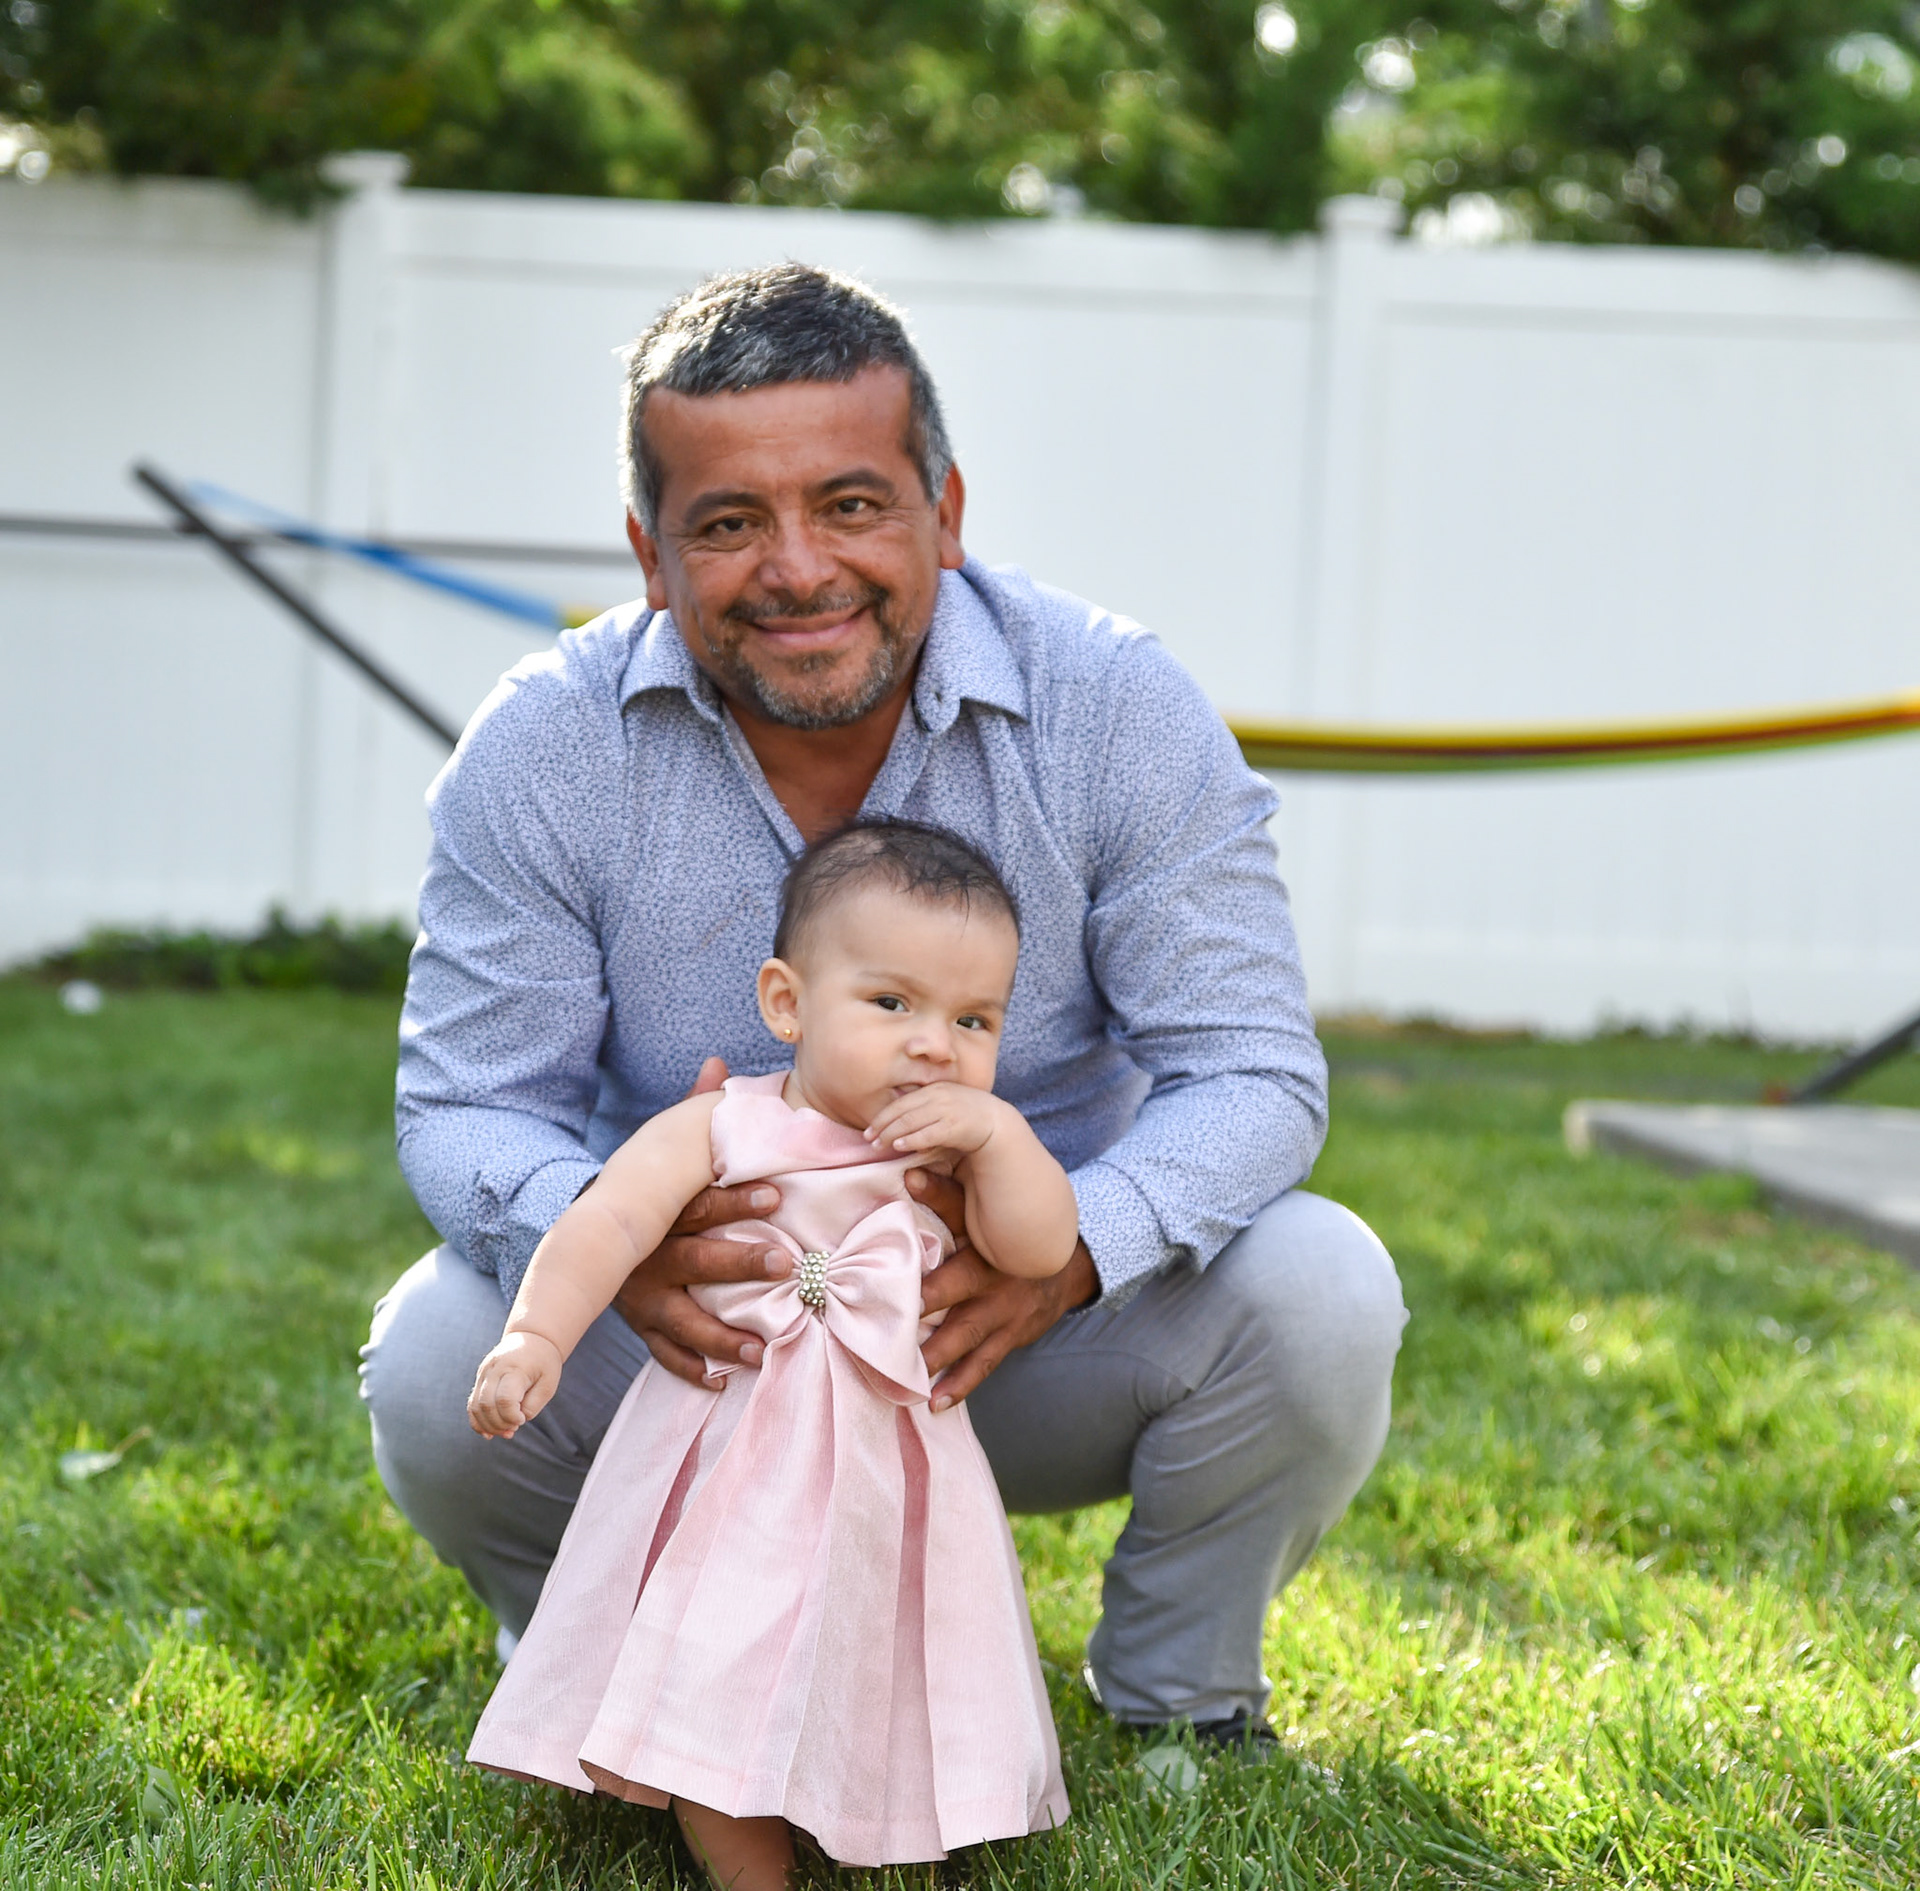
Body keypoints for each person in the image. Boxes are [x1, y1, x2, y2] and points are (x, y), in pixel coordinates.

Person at [359, 260, 1408, 1756]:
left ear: (945, 513)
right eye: (729, 522)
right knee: (432, 1344)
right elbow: (468, 1104)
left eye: (851, 504)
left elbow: (1252, 1073)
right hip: (703, 1340)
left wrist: (1073, 1255)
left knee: (1323, 1288)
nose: (798, 569)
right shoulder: (544, 746)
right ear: (651, 553)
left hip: (1006, 1329)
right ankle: (602, 1658)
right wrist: (614, 1237)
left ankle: (1181, 1698)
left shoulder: (1113, 704)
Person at [465, 820, 1073, 1887]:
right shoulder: (722, 1125)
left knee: (891, 1653)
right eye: (892, 1004)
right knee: (721, 1644)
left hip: (892, 1477)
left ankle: (895, 1819)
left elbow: (1041, 1249)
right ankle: (750, 1862)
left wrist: (1002, 1139)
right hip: (732, 1460)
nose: (936, 1045)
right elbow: (607, 1222)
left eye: (973, 1019)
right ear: (787, 1003)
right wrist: (536, 1334)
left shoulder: (963, 1152)